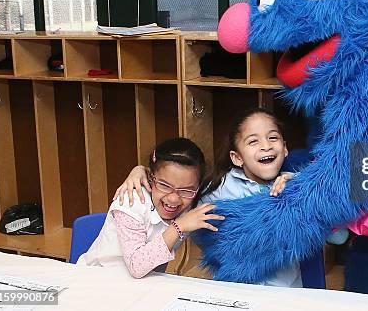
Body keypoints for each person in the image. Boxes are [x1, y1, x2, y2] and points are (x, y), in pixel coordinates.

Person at [114, 109, 300, 286]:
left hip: (284, 292)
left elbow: (324, 204)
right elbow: (186, 203)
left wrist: (297, 184)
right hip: (236, 290)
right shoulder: (218, 188)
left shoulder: (299, 186)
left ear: (285, 148)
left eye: (273, 138)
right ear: (236, 157)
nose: (266, 146)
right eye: (253, 141)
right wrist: (139, 171)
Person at [78, 138, 224, 278]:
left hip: (144, 285)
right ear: (150, 179)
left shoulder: (192, 203)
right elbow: (137, 266)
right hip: (97, 279)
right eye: (164, 185)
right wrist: (178, 227)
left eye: (186, 190)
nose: (173, 198)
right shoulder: (132, 201)